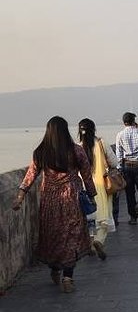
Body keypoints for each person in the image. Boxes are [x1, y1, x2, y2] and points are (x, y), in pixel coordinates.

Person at [11, 116, 96, 293]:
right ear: (65, 131)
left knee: (53, 235)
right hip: (71, 199)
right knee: (70, 236)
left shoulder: (41, 152)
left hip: (50, 200)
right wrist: (92, 195)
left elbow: (30, 176)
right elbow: (87, 175)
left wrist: (20, 196)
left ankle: (55, 269)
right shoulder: (76, 151)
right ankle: (68, 276)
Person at [78, 118, 117, 260]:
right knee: (104, 217)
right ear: (93, 129)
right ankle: (98, 241)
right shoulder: (101, 143)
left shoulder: (77, 147)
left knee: (89, 218)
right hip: (102, 186)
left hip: (84, 187)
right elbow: (114, 162)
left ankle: (90, 244)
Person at [115, 112, 138, 224]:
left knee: (129, 192)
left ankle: (133, 218)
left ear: (124, 122)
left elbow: (119, 153)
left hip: (127, 165)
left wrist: (120, 167)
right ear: (133, 120)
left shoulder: (120, 134)